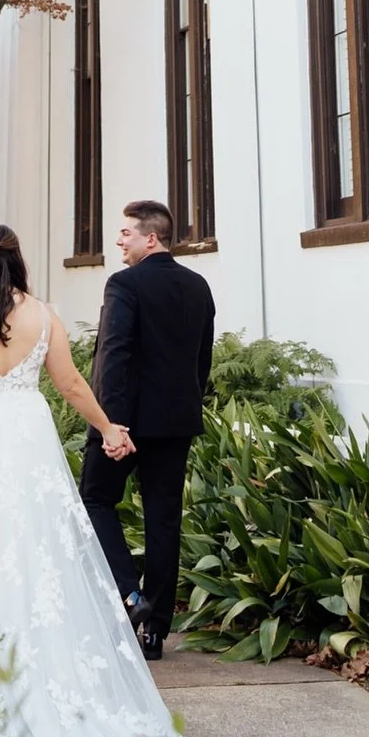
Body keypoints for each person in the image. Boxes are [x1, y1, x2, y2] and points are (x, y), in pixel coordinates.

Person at [0, 224, 186, 737]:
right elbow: (70, 385)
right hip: (27, 436)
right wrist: (108, 428)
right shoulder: (42, 315)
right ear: (18, 260)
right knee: (36, 547)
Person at [79, 199, 216, 660]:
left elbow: (112, 354)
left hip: (125, 424)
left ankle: (130, 596)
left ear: (150, 238)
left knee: (94, 500)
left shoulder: (124, 284)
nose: (119, 240)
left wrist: (110, 425)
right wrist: (187, 407)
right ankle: (155, 632)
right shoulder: (198, 285)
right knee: (163, 520)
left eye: (126, 233)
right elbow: (202, 359)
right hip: (175, 424)